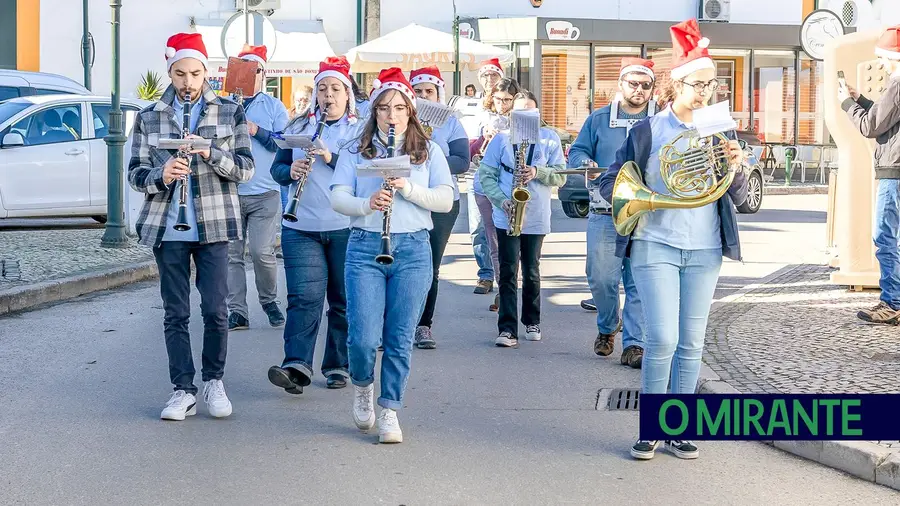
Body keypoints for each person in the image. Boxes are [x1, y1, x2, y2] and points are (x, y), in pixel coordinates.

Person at [597, 19, 748, 460]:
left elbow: (734, 196)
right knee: (661, 339)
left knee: (691, 342)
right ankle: (651, 428)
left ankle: (680, 428)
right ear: (677, 83)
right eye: (697, 84)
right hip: (654, 244)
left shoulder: (720, 129)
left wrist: (736, 166)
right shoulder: (646, 132)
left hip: (704, 249)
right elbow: (613, 184)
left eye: (711, 84)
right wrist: (645, 197)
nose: (705, 92)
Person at [127, 33, 254, 421]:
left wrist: (210, 152)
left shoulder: (231, 112)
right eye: (180, 74)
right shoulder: (149, 116)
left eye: (195, 74)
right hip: (168, 227)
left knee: (216, 309)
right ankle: (183, 388)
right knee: (175, 312)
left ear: (206, 73)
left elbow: (246, 170)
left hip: (214, 225)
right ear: (170, 72)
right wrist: (162, 174)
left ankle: (214, 381)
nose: (187, 82)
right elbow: (134, 174)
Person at [330, 68, 454, 443]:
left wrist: (408, 187)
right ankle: (364, 386)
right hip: (366, 246)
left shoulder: (428, 150)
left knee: (399, 336)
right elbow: (337, 197)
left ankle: (389, 409)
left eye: (399, 108)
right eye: (384, 108)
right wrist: (368, 203)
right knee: (363, 337)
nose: (392, 115)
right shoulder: (354, 149)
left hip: (414, 248)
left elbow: (445, 199)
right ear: (374, 112)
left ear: (410, 112)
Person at [267, 56, 362, 393]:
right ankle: (296, 365)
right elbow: (276, 169)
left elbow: (365, 174)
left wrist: (330, 157)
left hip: (345, 225)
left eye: (336, 89)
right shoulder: (297, 127)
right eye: (322, 89)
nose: (328, 95)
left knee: (341, 299)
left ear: (348, 94)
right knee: (303, 297)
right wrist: (289, 172)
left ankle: (337, 365)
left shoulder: (359, 131)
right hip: (301, 224)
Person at [567, 57, 658, 369]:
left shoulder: (661, 119)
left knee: (639, 282)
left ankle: (635, 345)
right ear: (621, 85)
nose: (639, 90)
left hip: (649, 214)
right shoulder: (599, 118)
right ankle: (608, 326)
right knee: (601, 277)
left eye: (646, 85)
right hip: (606, 210)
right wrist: (587, 165)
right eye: (633, 83)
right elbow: (578, 150)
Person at [479, 90, 566, 347]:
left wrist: (537, 171)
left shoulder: (550, 139)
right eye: (519, 111)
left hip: (536, 213)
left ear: (537, 113)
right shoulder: (501, 140)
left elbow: (561, 175)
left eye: (530, 110)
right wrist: (501, 200)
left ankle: (532, 321)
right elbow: (486, 174)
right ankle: (507, 329)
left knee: (531, 270)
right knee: (507, 271)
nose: (525, 115)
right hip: (507, 213)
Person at [839, 24, 900, 325]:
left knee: (885, 237)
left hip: (895, 173)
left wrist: (847, 104)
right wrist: (860, 100)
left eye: (885, 58)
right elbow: (887, 116)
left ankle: (892, 303)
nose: (883, 65)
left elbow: (871, 126)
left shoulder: (898, 83)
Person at [226, 45, 289, 331]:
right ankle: (237, 310)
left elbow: (283, 144)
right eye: (247, 68)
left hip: (265, 191)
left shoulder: (274, 106)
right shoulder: (224, 104)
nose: (253, 74)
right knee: (231, 255)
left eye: (258, 69)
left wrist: (256, 130)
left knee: (262, 252)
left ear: (264, 73)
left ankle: (268, 300)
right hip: (230, 190)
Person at [409, 66, 472, 349]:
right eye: (418, 91)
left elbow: (462, 160)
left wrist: (431, 157)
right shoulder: (399, 118)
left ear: (439, 94)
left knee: (430, 266)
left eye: (429, 92)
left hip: (441, 203)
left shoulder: (451, 122)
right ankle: (396, 324)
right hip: (406, 199)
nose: (424, 96)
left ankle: (424, 325)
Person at [470, 77, 521, 310]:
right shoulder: (484, 117)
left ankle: (507, 287)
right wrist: (484, 138)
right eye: (498, 100)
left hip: (508, 185)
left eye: (507, 100)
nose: (502, 104)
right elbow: (471, 151)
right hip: (484, 183)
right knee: (488, 235)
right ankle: (498, 284)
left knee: (508, 238)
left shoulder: (522, 120)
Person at [467, 59, 507, 301]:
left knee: (499, 228)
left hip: (502, 176)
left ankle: (505, 278)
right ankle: (485, 273)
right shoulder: (475, 109)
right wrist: (481, 138)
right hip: (478, 172)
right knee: (478, 228)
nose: (490, 80)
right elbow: (467, 144)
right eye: (486, 76)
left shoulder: (513, 107)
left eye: (494, 76)